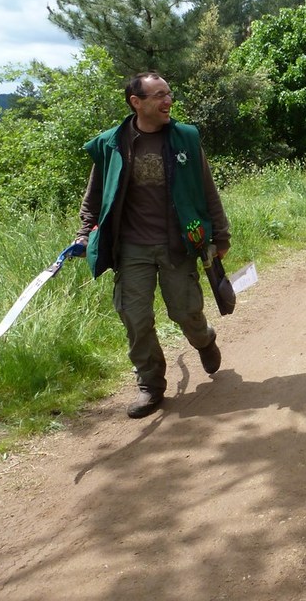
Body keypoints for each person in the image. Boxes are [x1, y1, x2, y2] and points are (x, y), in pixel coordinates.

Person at [75, 72, 230, 419]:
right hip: (131, 247)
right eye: (159, 95)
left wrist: (221, 235)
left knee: (184, 311)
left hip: (178, 242)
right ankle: (150, 384)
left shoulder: (185, 138)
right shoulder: (112, 143)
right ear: (136, 102)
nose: (168, 101)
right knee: (135, 316)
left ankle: (203, 338)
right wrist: (85, 233)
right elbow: (95, 196)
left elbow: (207, 188)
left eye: (169, 94)